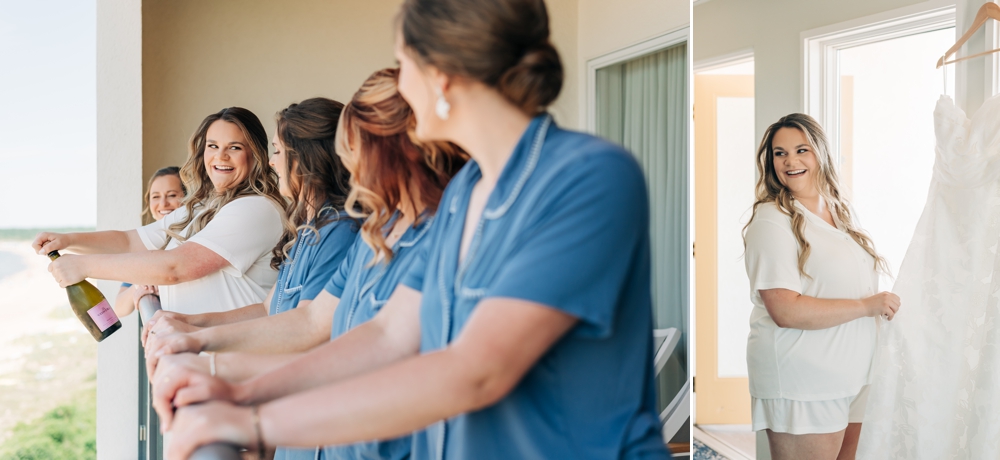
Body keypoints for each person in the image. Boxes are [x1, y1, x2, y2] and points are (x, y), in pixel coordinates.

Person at [151, 1, 671, 459]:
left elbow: (476, 369)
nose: (398, 86)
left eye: (405, 65)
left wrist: (253, 424)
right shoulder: (466, 192)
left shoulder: (588, 176)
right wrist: (238, 394)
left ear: (441, 75)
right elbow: (388, 333)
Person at [148, 68, 465, 460]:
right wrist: (197, 341)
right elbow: (313, 318)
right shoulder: (374, 234)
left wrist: (231, 387)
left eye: (358, 145)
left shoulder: (365, 231)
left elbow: (344, 339)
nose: (350, 160)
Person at [141, 98, 358, 355]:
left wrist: (201, 341)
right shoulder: (306, 228)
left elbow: (306, 326)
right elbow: (267, 309)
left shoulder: (340, 230)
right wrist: (188, 323)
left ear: (306, 159)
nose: (271, 162)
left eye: (277, 151)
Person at [742, 113, 900, 460]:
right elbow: (784, 309)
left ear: (821, 153)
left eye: (802, 150)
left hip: (855, 373)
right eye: (779, 153)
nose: (791, 161)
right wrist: (866, 306)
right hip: (804, 381)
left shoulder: (843, 212)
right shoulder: (772, 220)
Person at [32, 107, 285, 319]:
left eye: (235, 147)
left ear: (255, 155)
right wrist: (69, 240)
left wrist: (83, 266)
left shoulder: (256, 208)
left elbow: (176, 267)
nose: (220, 156)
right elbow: (130, 241)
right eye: (213, 146)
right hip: (197, 362)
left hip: (236, 366)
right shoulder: (200, 206)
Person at [113, 166, 186, 317]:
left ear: (188, 198)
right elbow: (119, 308)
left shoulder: (195, 241)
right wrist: (141, 284)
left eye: (171, 195)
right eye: (156, 196)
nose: (163, 203)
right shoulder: (144, 246)